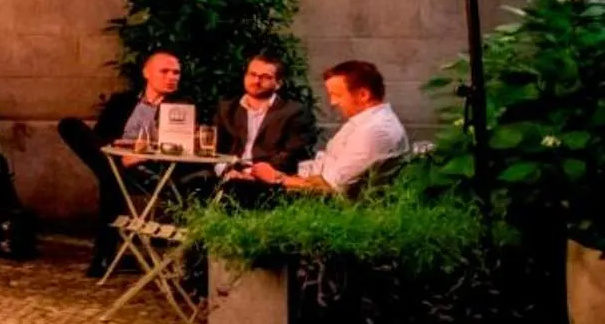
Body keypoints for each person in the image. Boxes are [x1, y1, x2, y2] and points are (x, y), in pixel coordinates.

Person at [55, 51, 191, 275]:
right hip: (116, 159)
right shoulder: (123, 101)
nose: (172, 77)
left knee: (110, 181)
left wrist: (142, 154)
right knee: (70, 125)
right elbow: (99, 138)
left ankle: (104, 256)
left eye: (176, 72)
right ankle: (115, 169)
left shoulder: (181, 106)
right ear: (146, 73)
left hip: (148, 170)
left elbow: (178, 145)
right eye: (164, 71)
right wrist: (120, 150)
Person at [246, 60, 408, 197]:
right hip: (313, 189)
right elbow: (325, 170)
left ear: (363, 95)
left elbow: (332, 188)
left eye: (337, 95)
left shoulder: (376, 131)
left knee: (240, 190)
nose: (333, 103)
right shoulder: (364, 123)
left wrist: (278, 179)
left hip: (334, 207)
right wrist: (280, 175)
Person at [213, 54, 317, 190]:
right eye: (252, 74)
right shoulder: (227, 109)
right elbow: (215, 149)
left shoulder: (294, 112)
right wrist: (227, 171)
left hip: (268, 179)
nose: (256, 80)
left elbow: (292, 154)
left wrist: (253, 173)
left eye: (265, 77)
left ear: (278, 83)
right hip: (230, 174)